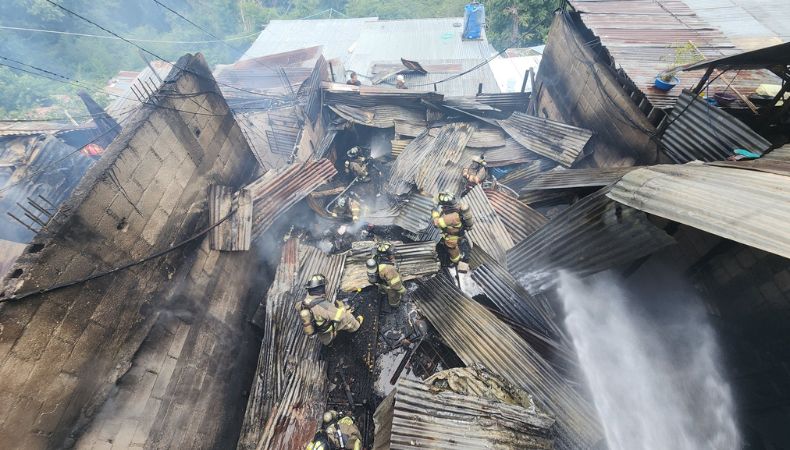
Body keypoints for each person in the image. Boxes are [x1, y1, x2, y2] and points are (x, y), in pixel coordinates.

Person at [296, 274, 363, 346]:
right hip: (327, 326)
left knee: (325, 338)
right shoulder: (324, 306)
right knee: (348, 317)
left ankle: (328, 343)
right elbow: (340, 316)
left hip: (318, 329)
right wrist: (343, 308)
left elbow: (297, 306)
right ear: (321, 288)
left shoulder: (304, 302)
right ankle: (356, 327)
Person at [431, 191, 474, 272]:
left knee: (451, 248)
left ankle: (455, 261)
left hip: (452, 237)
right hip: (457, 232)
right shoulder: (457, 206)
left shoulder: (451, 217)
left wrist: (434, 212)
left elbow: (436, 223)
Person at [366, 241, 406, 308]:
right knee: (394, 296)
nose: (394, 254)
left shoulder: (376, 257)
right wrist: (404, 292)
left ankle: (383, 292)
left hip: (381, 282)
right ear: (388, 254)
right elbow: (395, 284)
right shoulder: (388, 269)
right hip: (390, 286)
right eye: (392, 253)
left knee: (383, 289)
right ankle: (394, 306)